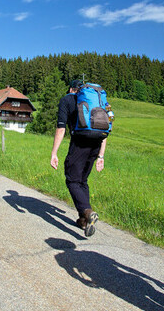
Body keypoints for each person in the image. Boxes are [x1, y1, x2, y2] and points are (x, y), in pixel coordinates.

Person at [50, 79, 107, 237]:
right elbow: (105, 129)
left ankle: (88, 213)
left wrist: (54, 153)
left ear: (70, 89)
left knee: (72, 180)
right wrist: (101, 155)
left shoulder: (67, 100)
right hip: (96, 142)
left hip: (80, 143)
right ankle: (83, 220)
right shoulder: (97, 102)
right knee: (82, 181)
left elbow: (61, 128)